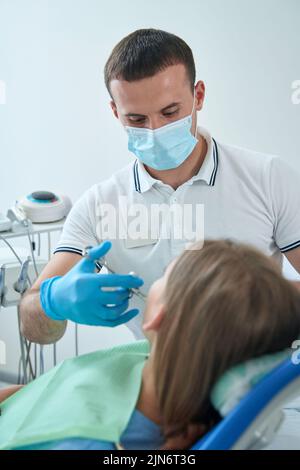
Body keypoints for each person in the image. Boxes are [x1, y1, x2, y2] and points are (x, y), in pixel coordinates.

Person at [19, 28, 300, 343]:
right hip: (161, 377)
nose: (155, 130)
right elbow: (32, 326)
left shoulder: (267, 178)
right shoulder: (100, 205)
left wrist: (253, 304)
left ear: (199, 96)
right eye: (137, 120)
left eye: (170, 112)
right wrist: (53, 302)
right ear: (115, 112)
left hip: (257, 376)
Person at [2, 240, 300, 450]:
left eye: (165, 276)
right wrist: (50, 302)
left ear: (158, 316)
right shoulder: (158, 363)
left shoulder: (89, 442)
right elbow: (56, 391)